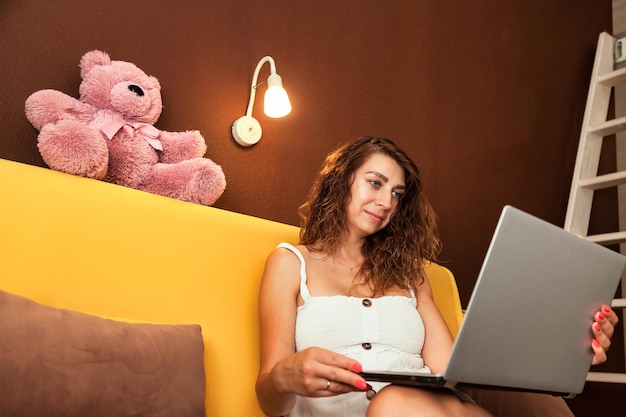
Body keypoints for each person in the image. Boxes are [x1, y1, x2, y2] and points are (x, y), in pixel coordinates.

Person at [255, 136, 619, 417]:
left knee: (541, 405)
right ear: (341, 180)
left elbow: (448, 369)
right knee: (392, 404)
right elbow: (271, 401)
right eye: (376, 183)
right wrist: (286, 374)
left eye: (397, 194)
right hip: (380, 409)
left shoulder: (410, 273)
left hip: (432, 408)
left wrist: (564, 345)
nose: (386, 203)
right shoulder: (290, 263)